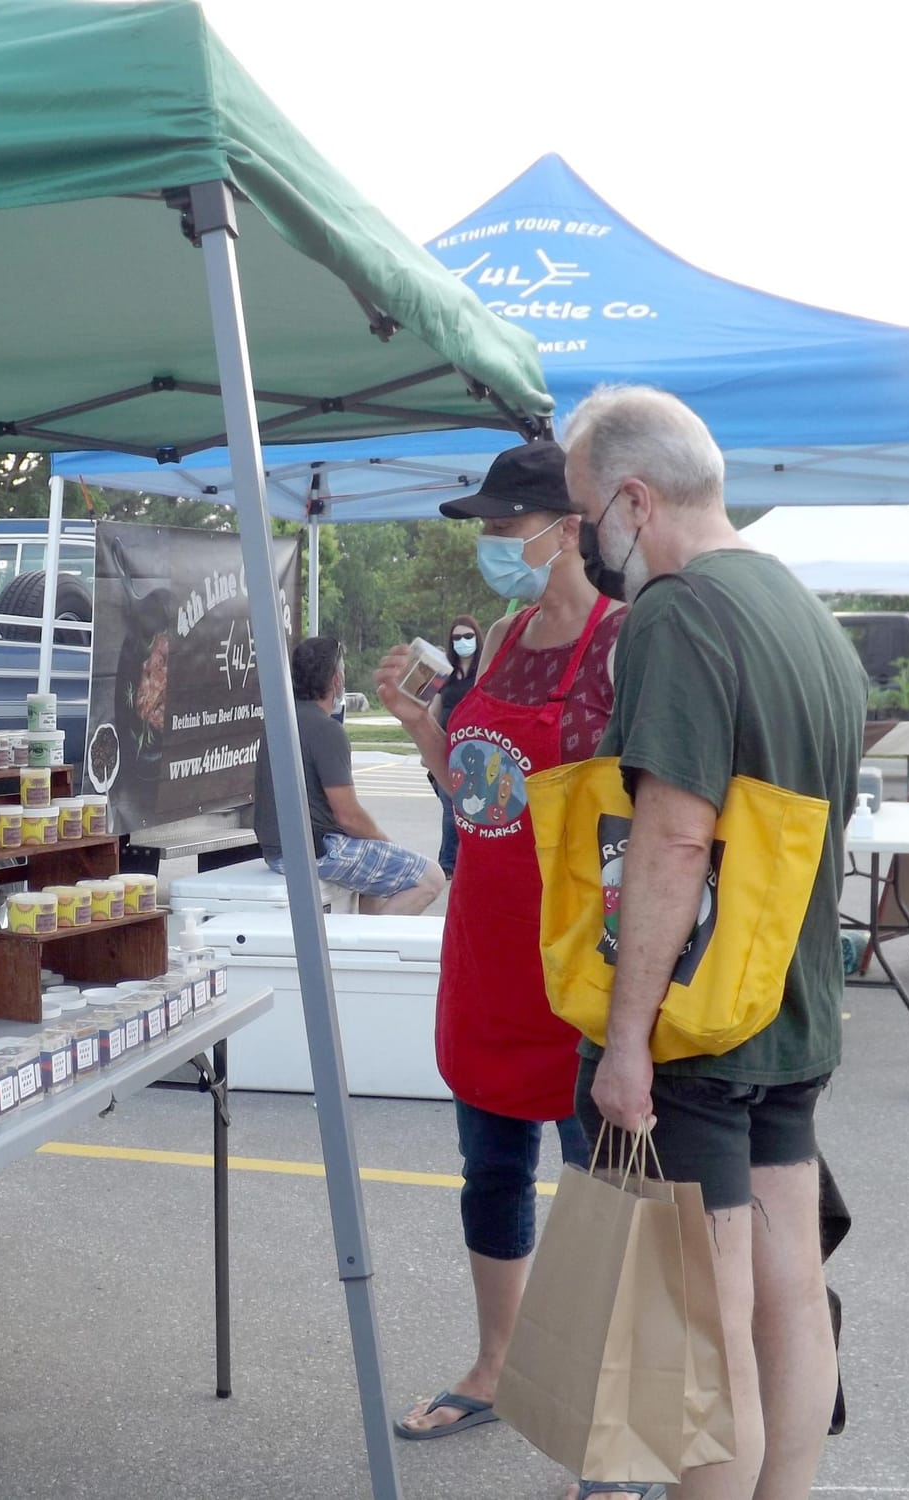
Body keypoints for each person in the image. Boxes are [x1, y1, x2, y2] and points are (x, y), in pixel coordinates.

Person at [562, 386, 865, 1500]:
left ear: (635, 501)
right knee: (788, 1293)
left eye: (586, 511)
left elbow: (674, 834)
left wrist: (625, 1040)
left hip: (698, 1018)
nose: (585, 536)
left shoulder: (678, 613)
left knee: (705, 1323)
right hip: (790, 1007)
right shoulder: (798, 608)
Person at [376, 440, 625, 1447]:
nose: (489, 542)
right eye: (483, 526)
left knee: (601, 1197)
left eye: (503, 525)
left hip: (577, 962)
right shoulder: (507, 635)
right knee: (490, 1173)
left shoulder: (623, 644)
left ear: (568, 528)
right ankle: (497, 1365)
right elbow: (477, 796)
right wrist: (421, 731)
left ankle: (610, 1416)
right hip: (485, 953)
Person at [255, 636, 444, 915]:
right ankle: (374, 941)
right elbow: (348, 816)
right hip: (318, 851)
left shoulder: (280, 722)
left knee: (375, 879)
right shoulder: (327, 730)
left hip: (276, 852)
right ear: (336, 680)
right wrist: (386, 843)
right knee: (432, 878)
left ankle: (364, 932)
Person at [429, 613, 485, 878]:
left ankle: (470, 859)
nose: (463, 641)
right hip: (446, 747)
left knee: (472, 808)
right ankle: (448, 863)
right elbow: (433, 709)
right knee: (450, 807)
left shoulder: (484, 670)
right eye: (457, 637)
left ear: (477, 638)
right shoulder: (446, 673)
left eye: (468, 636)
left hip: (475, 748)